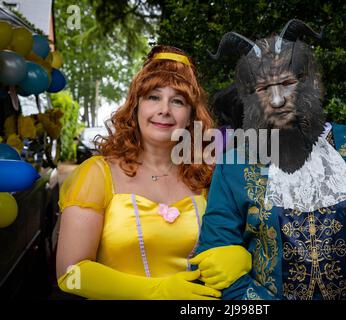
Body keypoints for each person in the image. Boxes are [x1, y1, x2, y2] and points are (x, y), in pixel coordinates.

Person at [194, 20, 346, 300]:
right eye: (263, 89)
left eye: (288, 83)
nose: (277, 100)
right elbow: (216, 253)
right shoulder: (233, 165)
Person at [56, 45, 251, 300]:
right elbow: (71, 274)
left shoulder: (209, 176)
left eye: (178, 101)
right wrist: (157, 292)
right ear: (135, 105)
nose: (164, 110)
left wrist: (246, 254)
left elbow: (249, 236)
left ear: (191, 115)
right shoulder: (97, 174)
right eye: (153, 97)